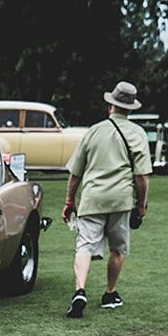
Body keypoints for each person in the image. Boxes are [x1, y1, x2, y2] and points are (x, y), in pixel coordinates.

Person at [62, 80, 151, 319]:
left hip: (92, 197)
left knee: (84, 246)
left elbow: (76, 173)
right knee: (118, 248)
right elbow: (141, 177)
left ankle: (80, 290)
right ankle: (110, 293)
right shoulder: (138, 133)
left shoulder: (94, 130)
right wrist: (141, 205)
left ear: (109, 105)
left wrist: (69, 201)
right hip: (121, 199)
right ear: (130, 108)